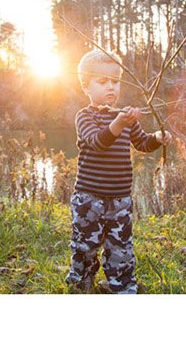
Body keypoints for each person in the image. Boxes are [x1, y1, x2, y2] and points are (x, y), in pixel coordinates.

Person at [65, 50, 170, 295]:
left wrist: (157, 137)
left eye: (115, 81)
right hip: (88, 200)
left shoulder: (125, 118)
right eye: (103, 82)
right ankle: (81, 284)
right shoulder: (85, 117)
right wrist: (120, 123)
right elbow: (98, 142)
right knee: (85, 247)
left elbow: (142, 143)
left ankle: (123, 288)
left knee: (121, 249)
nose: (111, 87)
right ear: (86, 86)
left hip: (120, 199)